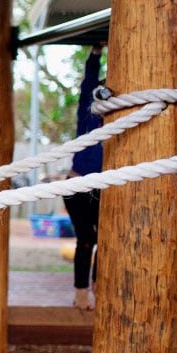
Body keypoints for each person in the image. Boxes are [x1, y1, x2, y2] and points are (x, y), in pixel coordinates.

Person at [63, 44, 104, 311]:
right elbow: (88, 84)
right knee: (86, 239)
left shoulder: (121, 124)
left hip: (103, 188)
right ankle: (80, 292)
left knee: (108, 239)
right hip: (77, 186)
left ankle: (99, 287)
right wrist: (96, 55)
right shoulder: (87, 118)